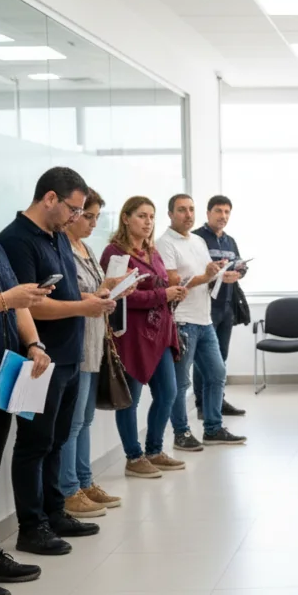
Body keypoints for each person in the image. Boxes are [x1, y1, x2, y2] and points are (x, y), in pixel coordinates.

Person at [0, 168, 116, 556]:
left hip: (67, 357)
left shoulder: (57, 238)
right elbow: (29, 307)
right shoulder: (16, 241)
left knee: (56, 440)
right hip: (37, 359)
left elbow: (64, 293)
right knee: (34, 445)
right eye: (74, 209)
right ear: (50, 198)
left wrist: (94, 300)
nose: (76, 218)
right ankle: (32, 527)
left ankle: (54, 509)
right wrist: (83, 307)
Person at [0, 152, 50, 595]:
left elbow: (19, 304)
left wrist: (34, 343)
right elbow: (4, 299)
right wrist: (5, 298)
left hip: (2, 376)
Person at [101, 197, 187, 479]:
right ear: (125, 218)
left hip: (160, 332)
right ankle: (133, 457)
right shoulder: (115, 254)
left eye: (151, 216)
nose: (148, 222)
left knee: (168, 393)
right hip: (131, 335)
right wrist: (163, 295)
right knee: (131, 399)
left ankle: (154, 450)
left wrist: (174, 292)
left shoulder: (153, 250)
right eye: (141, 216)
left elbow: (162, 283)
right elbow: (119, 295)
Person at [156, 194, 246, 450]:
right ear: (171, 214)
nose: (188, 214)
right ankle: (181, 433)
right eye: (182, 210)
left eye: (191, 209)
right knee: (181, 383)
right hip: (182, 320)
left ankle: (213, 429)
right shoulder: (165, 243)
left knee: (217, 373)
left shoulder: (197, 241)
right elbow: (173, 281)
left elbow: (206, 275)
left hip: (204, 318)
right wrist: (205, 276)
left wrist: (219, 274)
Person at [59, 188, 126, 516]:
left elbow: (92, 292)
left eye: (96, 216)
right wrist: (100, 292)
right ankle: (69, 489)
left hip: (95, 341)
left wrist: (112, 286)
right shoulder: (62, 249)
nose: (91, 222)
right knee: (72, 423)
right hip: (78, 343)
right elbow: (73, 296)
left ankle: (84, 481)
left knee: (84, 420)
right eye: (87, 215)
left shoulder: (85, 248)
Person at [193, 194, 246, 418]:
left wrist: (239, 272)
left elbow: (239, 264)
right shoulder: (196, 239)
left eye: (226, 212)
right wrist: (216, 276)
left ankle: (218, 402)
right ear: (208, 213)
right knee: (203, 360)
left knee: (220, 358)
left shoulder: (230, 240)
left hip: (226, 306)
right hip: (205, 307)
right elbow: (194, 271)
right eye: (218, 211)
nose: (223, 216)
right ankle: (202, 405)